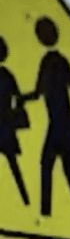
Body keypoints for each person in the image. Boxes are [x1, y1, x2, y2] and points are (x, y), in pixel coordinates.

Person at [22, 16, 70, 222]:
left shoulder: (51, 62)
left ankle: (47, 214)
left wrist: (23, 98)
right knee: (65, 172)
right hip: (64, 124)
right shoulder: (57, 61)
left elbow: (38, 93)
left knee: (48, 166)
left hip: (59, 125)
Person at [0, 36, 30, 206]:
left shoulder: (6, 76)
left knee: (14, 165)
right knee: (13, 165)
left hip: (4, 125)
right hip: (6, 125)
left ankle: (25, 201)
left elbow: (17, 98)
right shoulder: (7, 75)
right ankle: (25, 200)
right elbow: (18, 98)